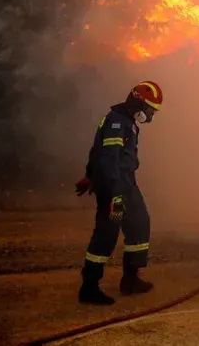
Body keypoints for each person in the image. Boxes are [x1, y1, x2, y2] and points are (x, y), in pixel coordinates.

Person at [73, 81, 163, 305]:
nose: (151, 114)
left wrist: (89, 176)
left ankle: (131, 279)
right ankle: (89, 287)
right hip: (115, 188)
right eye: (150, 108)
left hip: (126, 185)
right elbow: (108, 157)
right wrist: (113, 193)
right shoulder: (116, 122)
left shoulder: (125, 121)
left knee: (139, 224)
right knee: (107, 233)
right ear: (139, 102)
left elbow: (97, 150)